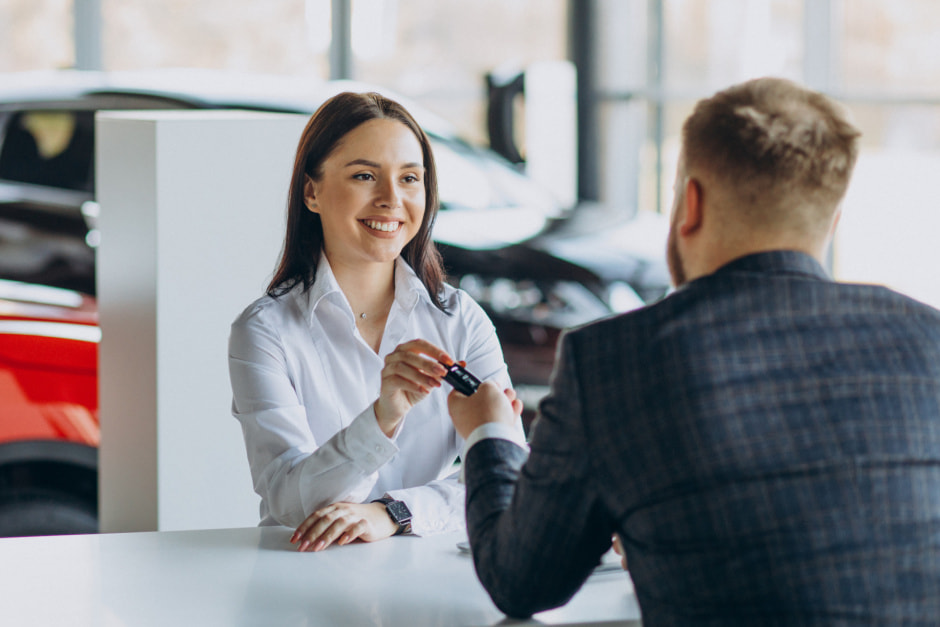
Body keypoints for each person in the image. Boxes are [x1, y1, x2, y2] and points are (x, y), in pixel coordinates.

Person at [447, 77, 940, 625]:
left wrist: (488, 432)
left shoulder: (615, 360)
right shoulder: (928, 336)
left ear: (691, 202)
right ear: (832, 220)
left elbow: (520, 582)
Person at [228, 92, 521, 552]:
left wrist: (395, 513)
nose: (391, 199)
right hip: (301, 579)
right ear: (312, 192)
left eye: (409, 178)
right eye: (365, 176)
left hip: (430, 579)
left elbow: (510, 479)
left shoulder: (461, 320)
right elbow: (290, 500)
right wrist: (382, 419)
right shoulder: (265, 332)